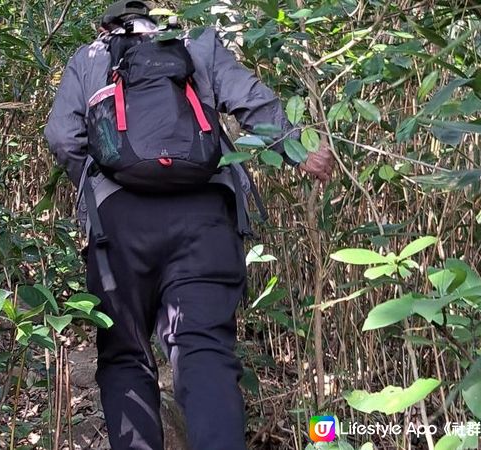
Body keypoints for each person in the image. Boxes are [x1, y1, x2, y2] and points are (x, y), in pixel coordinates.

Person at [44, 1, 334, 449]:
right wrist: (301, 150)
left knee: (125, 356)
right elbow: (252, 101)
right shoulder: (195, 44)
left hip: (120, 226)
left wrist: (106, 183)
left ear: (105, 24)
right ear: (158, 17)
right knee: (204, 351)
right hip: (204, 219)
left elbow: (63, 138)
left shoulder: (90, 58)